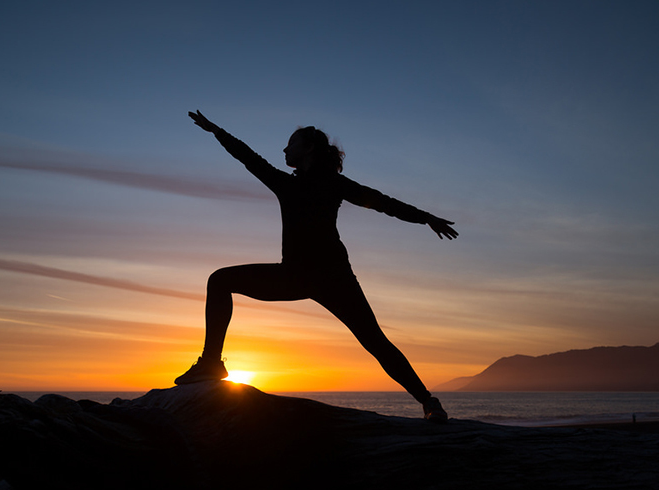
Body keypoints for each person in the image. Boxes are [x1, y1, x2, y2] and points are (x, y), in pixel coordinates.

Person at [176, 110, 458, 422]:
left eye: (290, 144)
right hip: (295, 275)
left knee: (375, 341)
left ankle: (429, 401)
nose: (284, 150)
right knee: (219, 280)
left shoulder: (332, 184)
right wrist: (217, 131)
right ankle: (212, 363)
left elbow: (381, 201)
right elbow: (248, 157)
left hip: (332, 278)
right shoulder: (288, 184)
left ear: (308, 148)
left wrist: (426, 218)